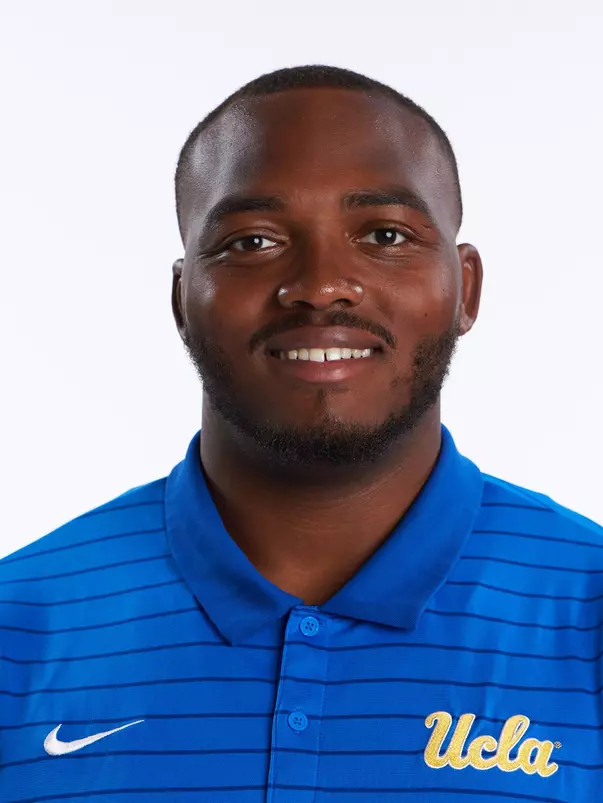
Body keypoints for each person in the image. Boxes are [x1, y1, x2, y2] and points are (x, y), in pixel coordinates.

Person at [1, 64, 601, 803]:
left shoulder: (587, 609)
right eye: (251, 242)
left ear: (465, 288)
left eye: (383, 234)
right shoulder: (17, 626)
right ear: (182, 299)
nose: (320, 284)